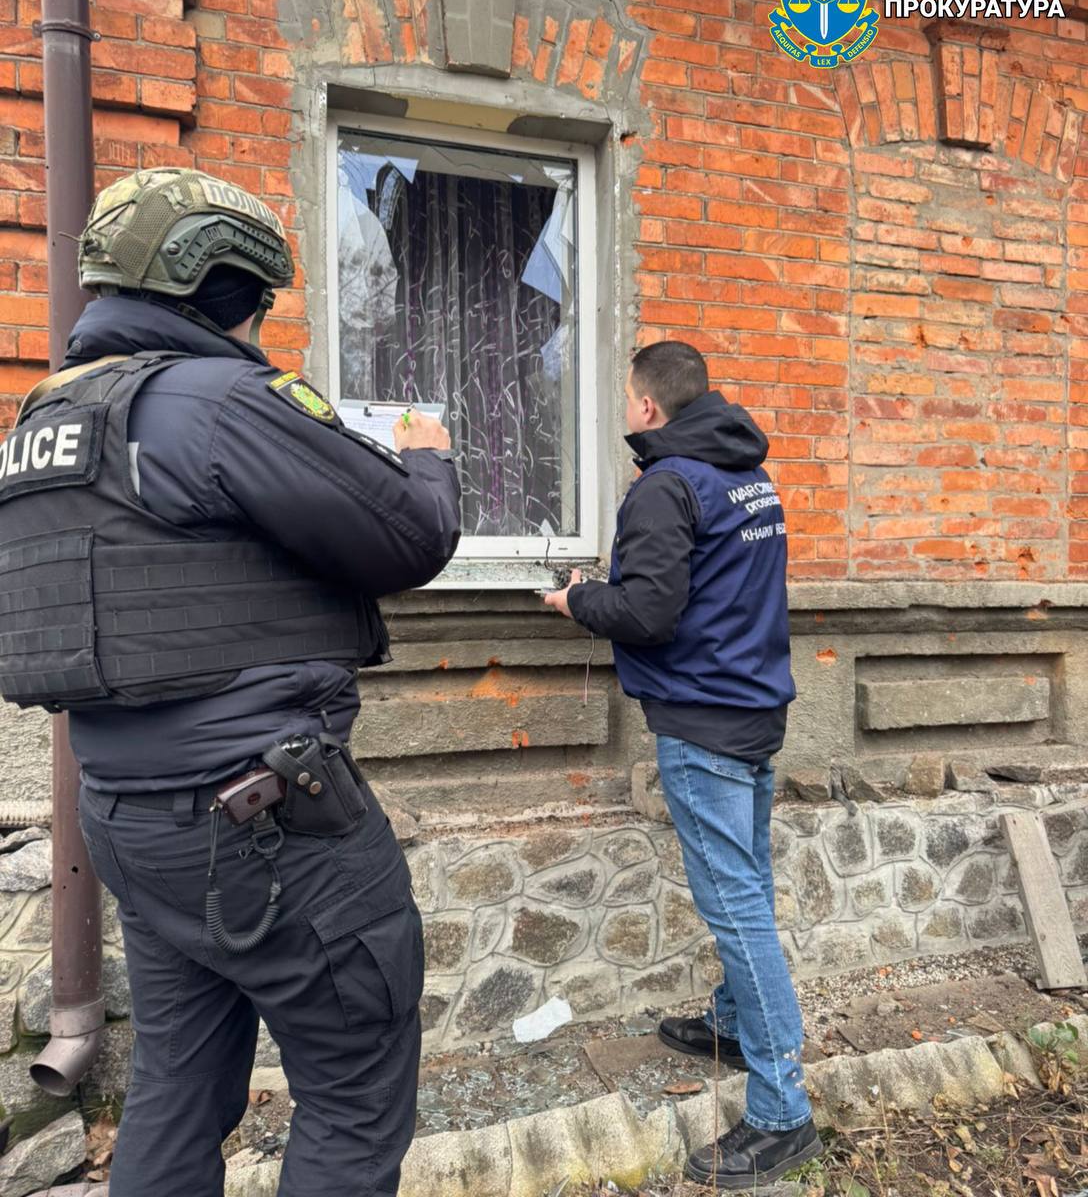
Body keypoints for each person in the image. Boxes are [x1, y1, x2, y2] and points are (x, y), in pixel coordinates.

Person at [0, 168, 461, 1197]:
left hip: (124, 815)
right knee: (351, 1086)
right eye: (258, 301)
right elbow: (409, 534)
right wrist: (428, 457)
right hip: (265, 816)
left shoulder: (42, 424)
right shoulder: (213, 399)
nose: (260, 324)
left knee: (175, 1081)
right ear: (222, 285)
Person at [543, 340, 820, 1189]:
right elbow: (712, 587)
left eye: (627, 397)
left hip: (703, 723)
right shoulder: (747, 476)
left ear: (649, 407)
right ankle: (735, 1025)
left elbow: (649, 612)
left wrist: (576, 598)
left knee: (736, 908)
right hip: (754, 707)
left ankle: (782, 1112)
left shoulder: (667, 483)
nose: (626, 410)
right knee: (748, 888)